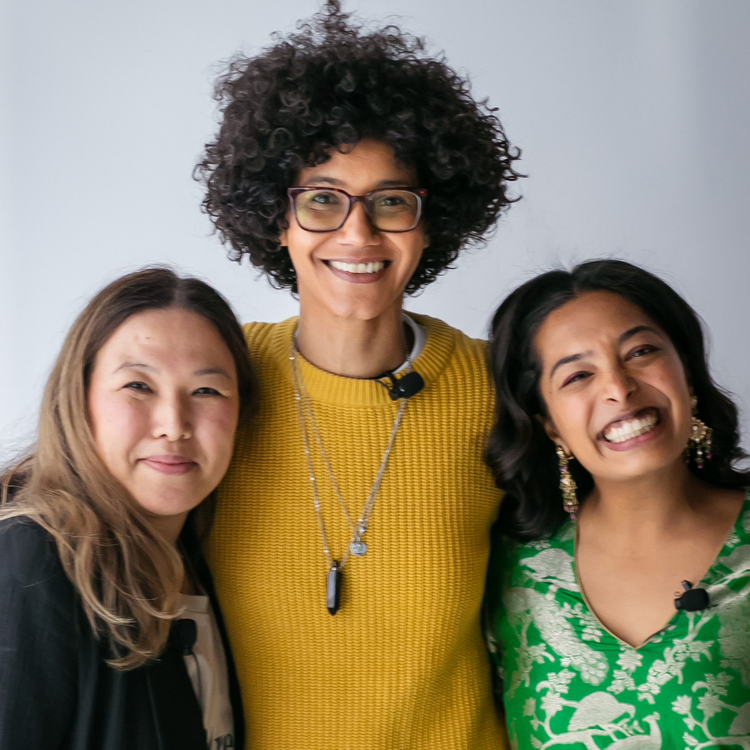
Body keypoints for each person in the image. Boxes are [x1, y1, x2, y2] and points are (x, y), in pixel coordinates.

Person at [194, 2, 522, 748]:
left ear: (432, 222)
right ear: (274, 219)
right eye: (321, 200)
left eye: (391, 202)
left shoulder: (495, 385)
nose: (357, 234)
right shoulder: (218, 379)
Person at [485, 259, 750, 749]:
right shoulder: (509, 573)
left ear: (686, 371)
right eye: (577, 376)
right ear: (548, 423)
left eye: (641, 351)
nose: (618, 387)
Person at [0, 268, 253, 750]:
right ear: (78, 398)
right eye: (138, 386)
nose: (174, 425)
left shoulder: (208, 563)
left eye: (207, 391)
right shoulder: (33, 560)